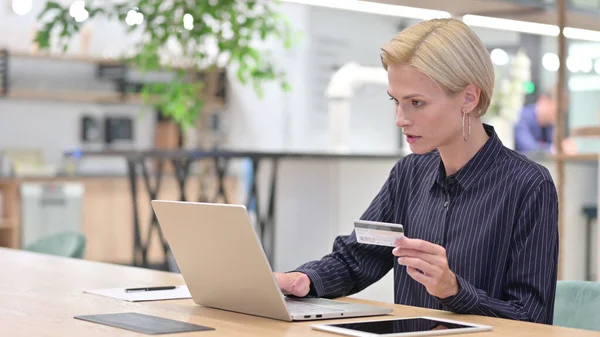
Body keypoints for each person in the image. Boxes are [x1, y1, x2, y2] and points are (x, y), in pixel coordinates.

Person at [274, 18, 559, 325]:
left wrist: (454, 290)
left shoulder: (529, 186)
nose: (401, 119)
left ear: (468, 97)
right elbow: (358, 258)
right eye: (396, 102)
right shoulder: (408, 175)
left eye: (416, 103)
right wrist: (305, 280)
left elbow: (532, 318)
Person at [514, 89, 577, 154]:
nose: (557, 116)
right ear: (543, 100)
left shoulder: (549, 125)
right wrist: (556, 149)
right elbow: (528, 148)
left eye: (561, 112)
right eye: (556, 110)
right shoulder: (521, 117)